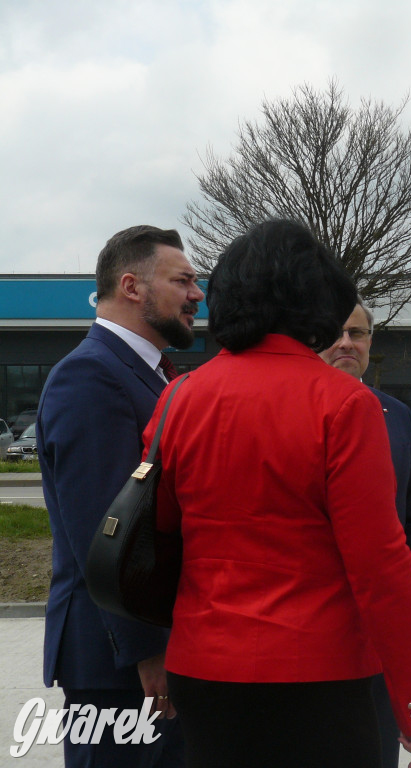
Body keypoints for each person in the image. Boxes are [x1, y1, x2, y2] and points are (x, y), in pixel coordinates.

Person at [147, 219, 411, 768]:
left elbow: (161, 533)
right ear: (316, 300)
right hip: (320, 674)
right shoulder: (344, 405)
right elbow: (380, 566)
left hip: (206, 668)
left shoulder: (179, 398)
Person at [37, 225, 204, 767]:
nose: (197, 295)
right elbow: (105, 533)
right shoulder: (90, 375)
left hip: (145, 656)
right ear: (131, 287)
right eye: (183, 281)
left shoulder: (148, 374)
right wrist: (148, 651)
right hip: (118, 667)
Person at [320, 300, 411, 768]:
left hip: (383, 633)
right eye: (336, 333)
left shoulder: (397, 417)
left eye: (358, 333)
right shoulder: (298, 412)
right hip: (320, 637)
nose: (346, 343)